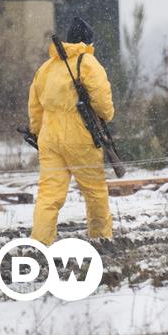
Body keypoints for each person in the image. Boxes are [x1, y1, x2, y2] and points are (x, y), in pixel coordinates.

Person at [28, 17, 114, 245]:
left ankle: (40, 242)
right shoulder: (88, 63)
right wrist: (107, 116)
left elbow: (35, 108)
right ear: (88, 40)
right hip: (80, 136)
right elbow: (103, 104)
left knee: (49, 194)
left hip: (49, 137)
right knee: (94, 191)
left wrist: (38, 133)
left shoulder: (45, 68)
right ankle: (100, 238)